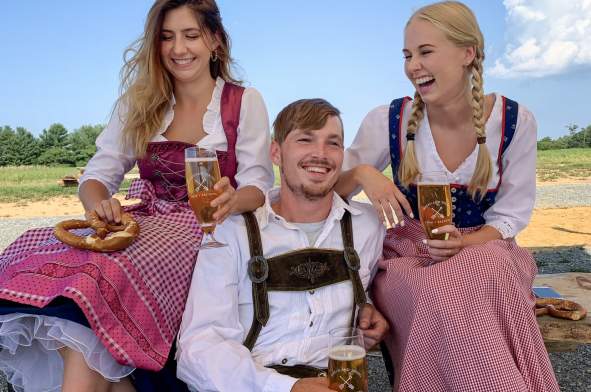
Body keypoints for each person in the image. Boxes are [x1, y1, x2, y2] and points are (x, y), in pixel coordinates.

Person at [0, 1, 273, 391]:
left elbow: (259, 185)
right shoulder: (140, 102)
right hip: (146, 223)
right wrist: (100, 206)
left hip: (207, 230)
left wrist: (233, 198)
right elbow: (97, 175)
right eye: (167, 37)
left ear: (215, 41)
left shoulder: (243, 101)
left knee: (101, 278)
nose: (179, 48)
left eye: (191, 35)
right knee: (44, 255)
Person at [336, 1, 560, 391]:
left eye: (425, 52)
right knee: (437, 288)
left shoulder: (513, 121)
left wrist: (464, 242)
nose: (412, 66)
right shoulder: (389, 119)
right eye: (407, 55)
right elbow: (328, 194)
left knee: (478, 267)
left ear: (467, 53)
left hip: (486, 249)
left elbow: (510, 217)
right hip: (409, 256)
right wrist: (361, 172)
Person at [176, 98, 389, 392]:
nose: (320, 154)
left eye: (333, 143)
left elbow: (365, 290)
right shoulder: (231, 230)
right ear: (276, 152)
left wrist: (367, 308)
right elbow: (198, 348)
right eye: (305, 140)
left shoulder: (367, 226)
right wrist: (286, 388)